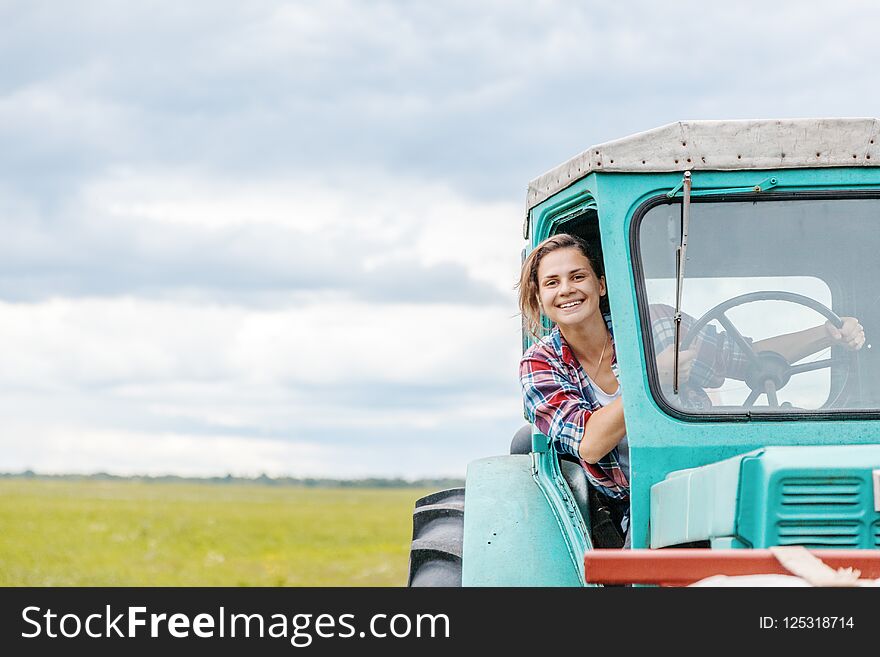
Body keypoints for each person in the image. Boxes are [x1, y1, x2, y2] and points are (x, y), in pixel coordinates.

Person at [518, 233, 866, 548]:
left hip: (695, 477)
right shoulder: (540, 364)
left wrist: (826, 333)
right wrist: (652, 381)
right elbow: (591, 444)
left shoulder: (655, 327)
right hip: (624, 503)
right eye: (552, 282)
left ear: (601, 285)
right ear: (540, 295)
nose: (566, 289)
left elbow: (748, 358)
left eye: (578, 276)